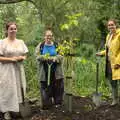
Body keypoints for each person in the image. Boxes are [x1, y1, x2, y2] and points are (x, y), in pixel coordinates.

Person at [0, 22, 28, 119]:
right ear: (7, 30)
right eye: (11, 29)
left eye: (15, 28)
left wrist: (22, 58)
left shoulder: (20, 42)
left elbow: (25, 54)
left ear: (17, 30)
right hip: (7, 70)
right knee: (7, 89)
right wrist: (12, 59)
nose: (13, 30)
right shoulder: (2, 42)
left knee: (18, 88)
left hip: (18, 69)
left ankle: (15, 109)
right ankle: (5, 111)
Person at [35, 28, 64, 109]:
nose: (49, 38)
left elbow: (61, 55)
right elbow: (37, 56)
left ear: (52, 37)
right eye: (47, 36)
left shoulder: (57, 45)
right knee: (45, 87)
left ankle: (57, 103)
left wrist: (56, 58)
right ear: (44, 37)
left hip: (56, 71)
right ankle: (46, 104)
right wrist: (45, 57)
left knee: (58, 86)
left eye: (50, 36)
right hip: (44, 71)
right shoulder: (41, 46)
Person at [96, 19, 120, 105]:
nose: (110, 26)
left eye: (112, 24)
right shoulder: (108, 36)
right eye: (109, 25)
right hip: (110, 63)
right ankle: (115, 99)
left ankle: (116, 98)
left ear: (116, 25)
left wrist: (118, 62)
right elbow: (108, 49)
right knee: (112, 81)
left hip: (117, 63)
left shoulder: (119, 35)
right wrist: (101, 53)